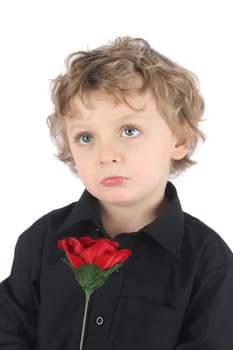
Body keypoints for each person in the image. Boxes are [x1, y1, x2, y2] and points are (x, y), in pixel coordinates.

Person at [0, 36, 232, 350]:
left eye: (129, 131)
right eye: (85, 137)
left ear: (178, 139)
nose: (105, 154)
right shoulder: (42, 240)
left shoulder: (208, 260)